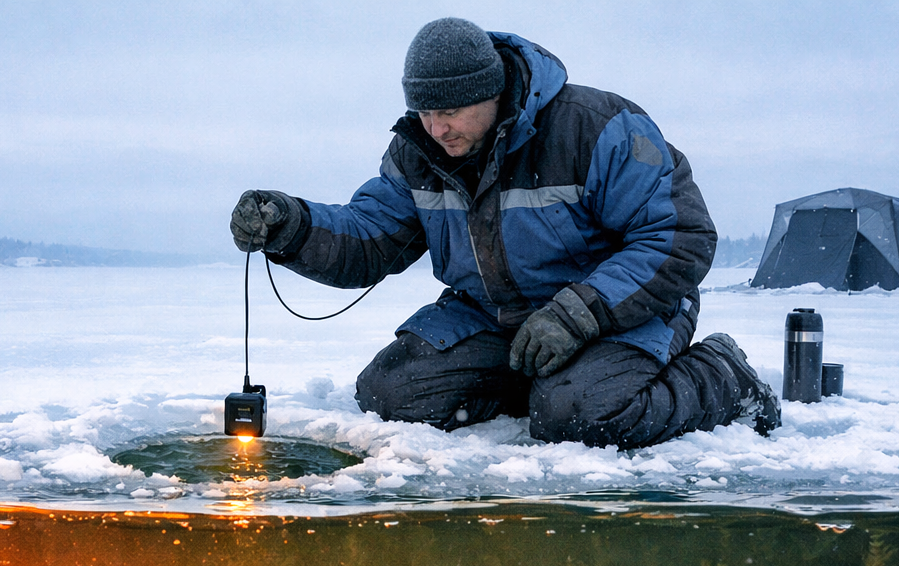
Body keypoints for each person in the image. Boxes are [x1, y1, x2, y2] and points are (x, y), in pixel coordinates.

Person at [230, 17, 780, 446]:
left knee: (582, 418)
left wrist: (579, 312)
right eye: (423, 111)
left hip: (621, 310)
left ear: (491, 92)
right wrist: (292, 225)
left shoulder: (596, 128)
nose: (436, 128)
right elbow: (371, 236)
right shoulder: (420, 153)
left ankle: (723, 377)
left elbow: (680, 237)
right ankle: (549, 383)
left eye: (450, 111)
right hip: (495, 317)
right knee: (391, 394)